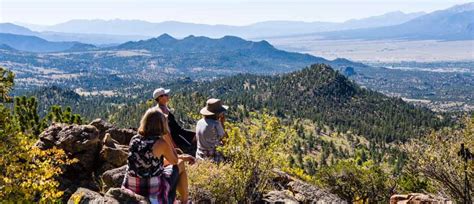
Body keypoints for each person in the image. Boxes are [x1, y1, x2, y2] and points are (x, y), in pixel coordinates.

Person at [122, 107, 195, 204]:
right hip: (151, 191)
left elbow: (151, 163)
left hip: (131, 187)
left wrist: (182, 157)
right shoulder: (160, 143)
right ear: (161, 124)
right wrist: (167, 137)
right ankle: (184, 201)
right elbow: (175, 160)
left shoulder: (134, 139)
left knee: (175, 165)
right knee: (180, 164)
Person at [153, 88, 196, 154]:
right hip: (174, 138)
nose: (168, 96)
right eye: (166, 95)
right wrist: (173, 145)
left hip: (178, 134)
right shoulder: (161, 112)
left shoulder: (164, 108)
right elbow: (166, 132)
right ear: (160, 98)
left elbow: (176, 128)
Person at [195, 98, 228, 163]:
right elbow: (225, 139)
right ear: (217, 113)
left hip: (200, 154)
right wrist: (222, 123)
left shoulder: (199, 122)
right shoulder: (216, 124)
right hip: (213, 155)